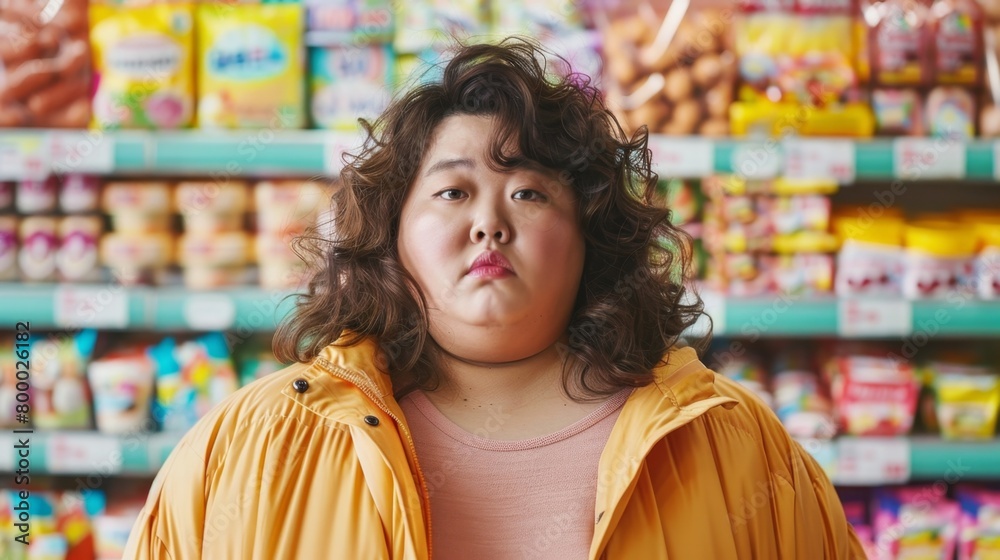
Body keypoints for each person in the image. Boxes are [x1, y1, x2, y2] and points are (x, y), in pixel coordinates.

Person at [124, 38, 865, 559]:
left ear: (590, 238)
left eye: (528, 191)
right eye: (452, 190)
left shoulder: (735, 448)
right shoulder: (255, 446)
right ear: (392, 236)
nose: (489, 221)